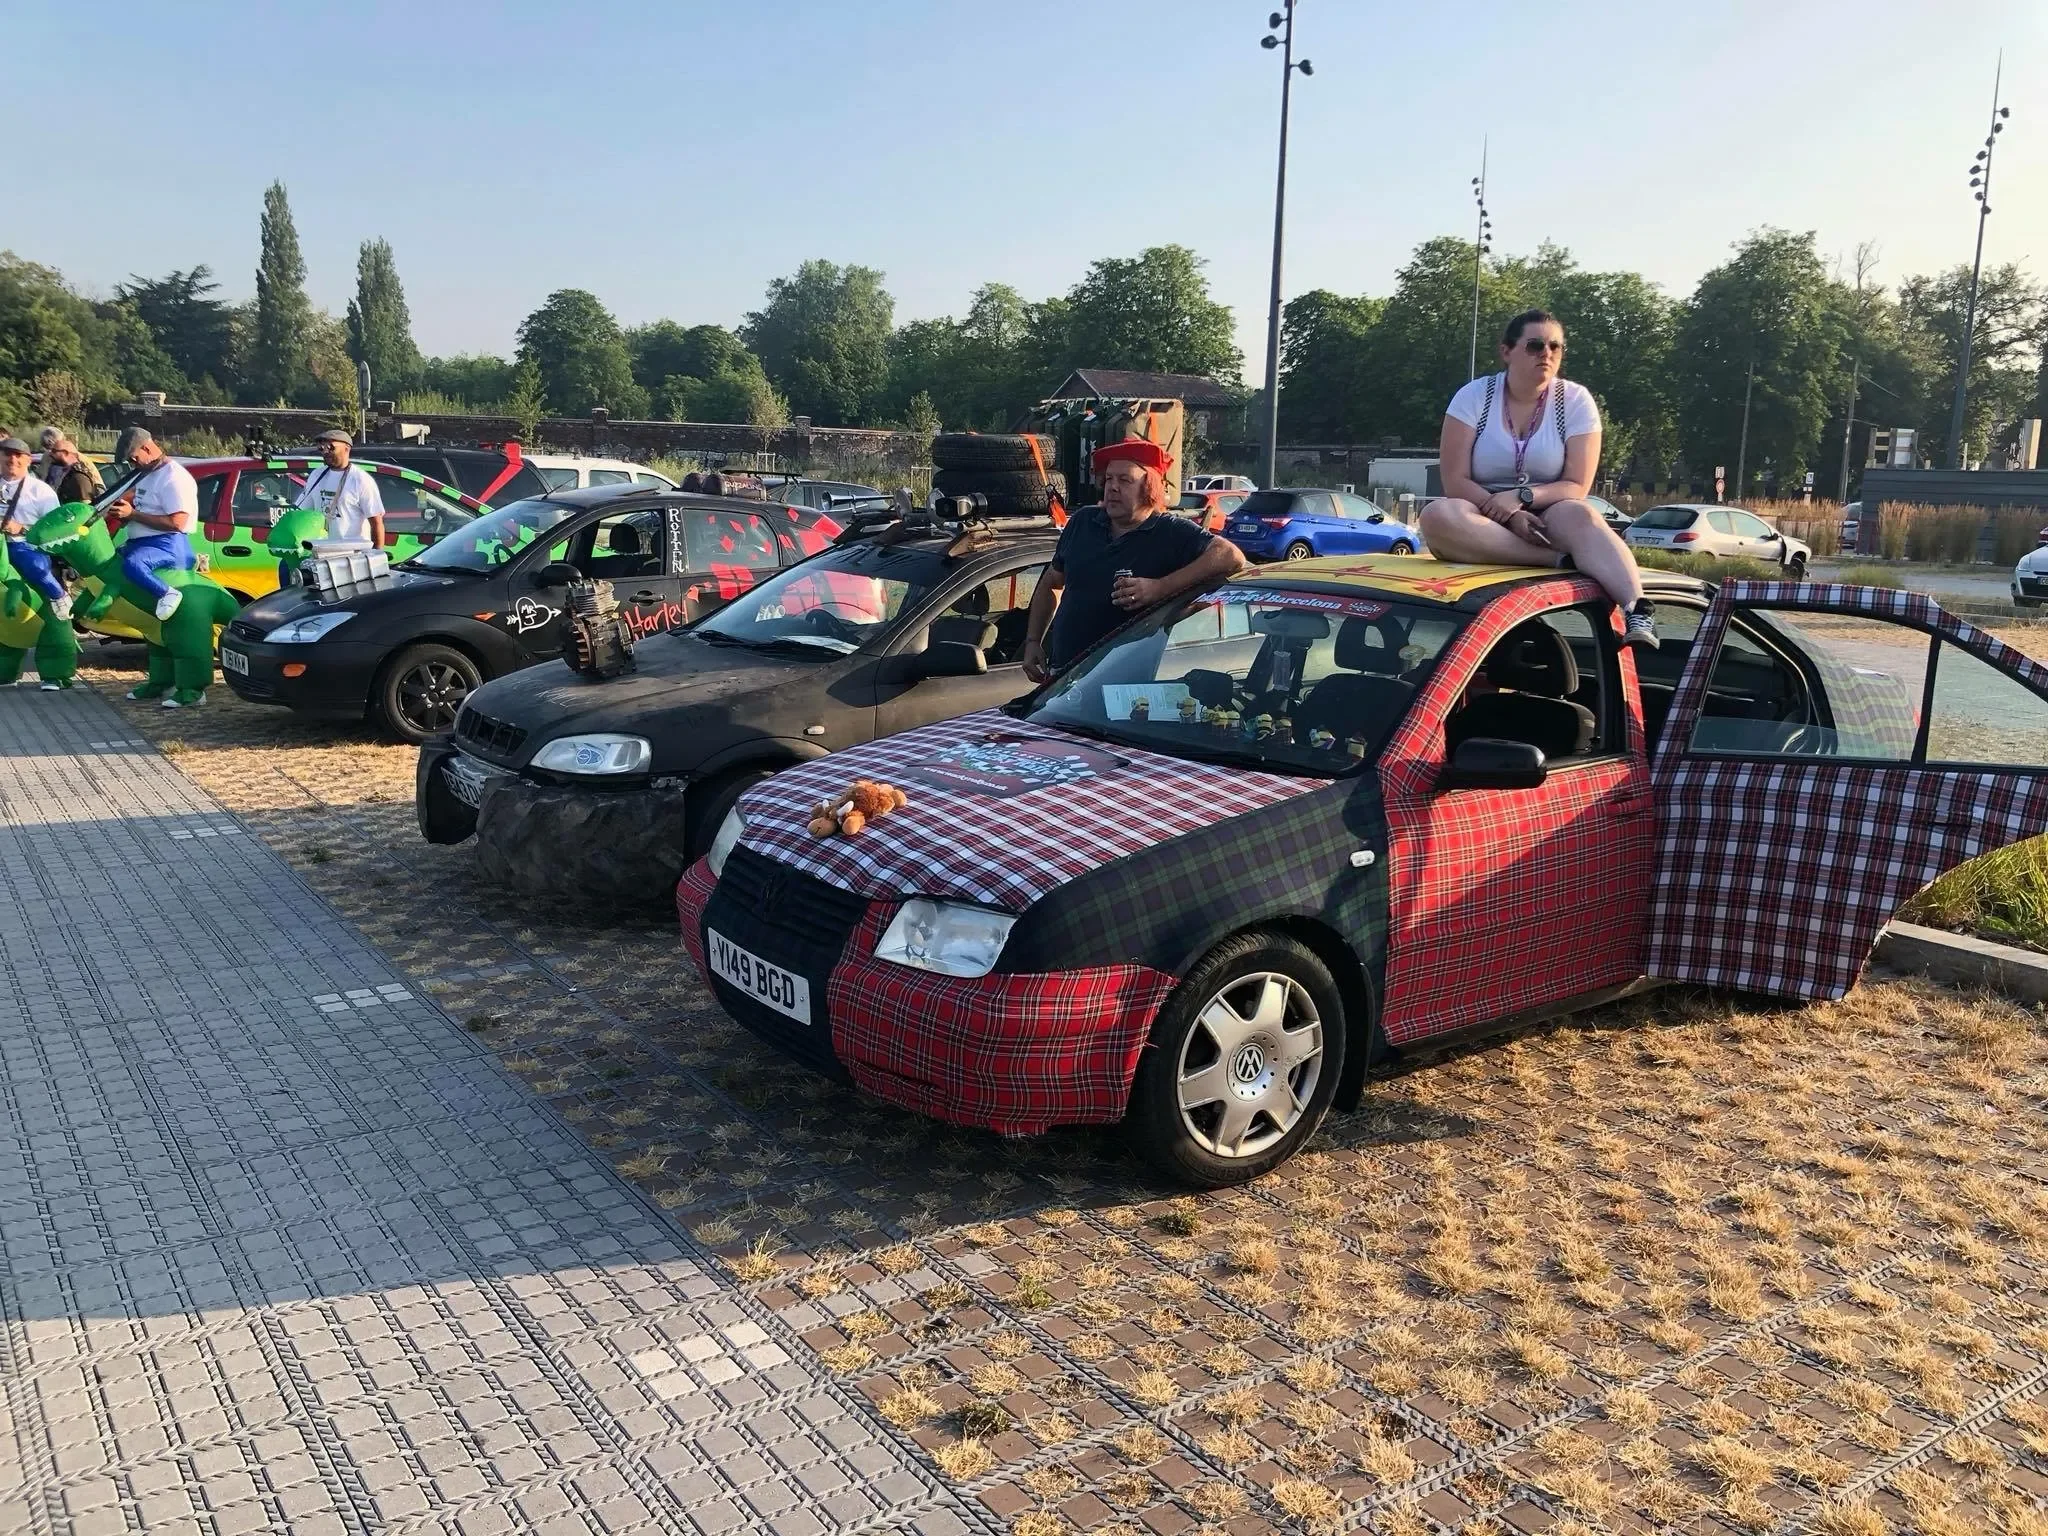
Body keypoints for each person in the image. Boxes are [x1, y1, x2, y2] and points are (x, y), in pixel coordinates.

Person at [1419, 309, 1656, 649]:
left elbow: (1577, 484)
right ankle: (1560, 560)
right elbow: (1455, 480)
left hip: (1549, 510)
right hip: (1478, 512)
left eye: (1555, 347)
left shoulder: (1575, 400)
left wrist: (1523, 498)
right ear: (1506, 352)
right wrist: (1508, 514)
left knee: (1584, 514)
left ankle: (1638, 609)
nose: (1546, 354)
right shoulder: (1473, 397)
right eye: (1534, 345)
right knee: (1437, 516)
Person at [1021, 439, 1245, 682]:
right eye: (1108, 479)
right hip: (1062, 675)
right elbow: (1052, 583)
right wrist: (1033, 641)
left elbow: (1230, 557)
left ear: (1149, 487)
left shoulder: (1170, 532)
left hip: (1126, 684)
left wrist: (1158, 588)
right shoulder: (1082, 522)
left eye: (1125, 480)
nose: (1112, 487)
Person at [108, 427, 199, 622]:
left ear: (147, 448)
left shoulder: (174, 478)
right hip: (142, 542)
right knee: (110, 562)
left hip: (167, 544)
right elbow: (142, 506)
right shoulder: (147, 473)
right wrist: (124, 516)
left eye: (133, 458)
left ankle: (167, 593)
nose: (133, 464)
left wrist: (132, 514)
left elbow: (177, 524)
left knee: (134, 564)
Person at [0, 436, 69, 618]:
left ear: (28, 460)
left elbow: (56, 531)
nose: (13, 459)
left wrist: (21, 529)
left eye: (18, 455)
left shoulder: (41, 490)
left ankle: (60, 596)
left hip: (25, 545)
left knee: (35, 566)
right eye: (7, 454)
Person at [295, 429, 386, 546]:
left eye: (331, 447)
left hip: (353, 555)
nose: (325, 452)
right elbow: (302, 512)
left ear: (347, 448)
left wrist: (376, 555)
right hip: (322, 551)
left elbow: (376, 522)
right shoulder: (316, 475)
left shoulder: (360, 479)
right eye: (321, 448)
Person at [46, 436, 102, 503]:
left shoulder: (79, 477)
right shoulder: (68, 474)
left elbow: (84, 507)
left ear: (65, 453)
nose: (50, 454)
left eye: (54, 451)